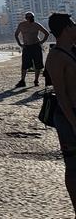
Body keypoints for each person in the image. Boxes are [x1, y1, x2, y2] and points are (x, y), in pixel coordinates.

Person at [45, 13, 76, 214]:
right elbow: (62, 94)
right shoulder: (56, 56)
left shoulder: (73, 50)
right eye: (73, 25)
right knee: (73, 165)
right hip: (68, 115)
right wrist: (74, 122)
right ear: (65, 29)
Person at [14, 11, 50, 87]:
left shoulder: (36, 25)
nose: (31, 18)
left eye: (32, 17)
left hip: (36, 46)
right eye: (30, 17)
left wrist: (42, 42)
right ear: (26, 18)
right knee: (25, 65)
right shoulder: (21, 25)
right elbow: (16, 34)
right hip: (26, 47)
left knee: (38, 64)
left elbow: (46, 33)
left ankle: (36, 80)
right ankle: (22, 80)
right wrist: (20, 44)